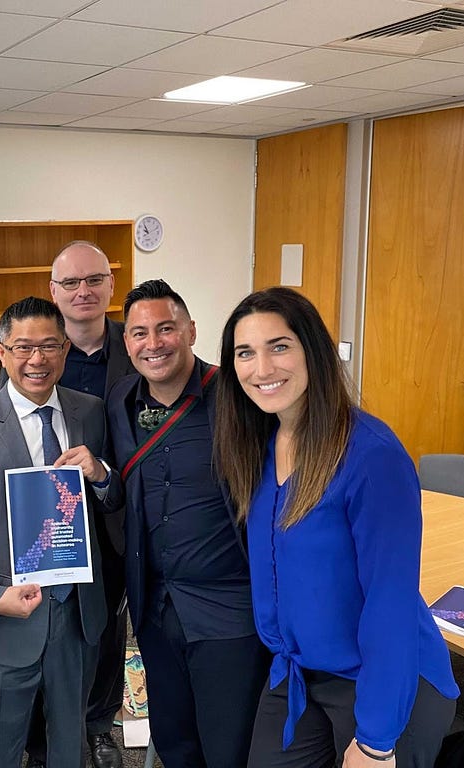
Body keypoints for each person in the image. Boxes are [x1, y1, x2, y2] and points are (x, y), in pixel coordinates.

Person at [212, 286, 459, 768]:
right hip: (298, 674)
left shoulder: (371, 456)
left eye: (279, 346)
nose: (262, 369)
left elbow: (391, 603)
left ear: (314, 351)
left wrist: (375, 739)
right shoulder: (260, 445)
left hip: (380, 682)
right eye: (245, 353)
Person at [0, 296, 123, 768]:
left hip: (77, 617)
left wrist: (101, 474)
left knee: (69, 750)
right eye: (23, 347)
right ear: (1, 353)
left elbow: (116, 497)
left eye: (48, 346)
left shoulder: (92, 412)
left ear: (65, 349)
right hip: (6, 616)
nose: (36, 359)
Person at [106, 279, 268, 768]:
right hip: (155, 607)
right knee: (175, 741)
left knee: (229, 746)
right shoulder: (120, 402)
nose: (152, 344)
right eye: (138, 333)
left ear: (192, 330)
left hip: (229, 610)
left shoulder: (238, 398)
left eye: (165, 328)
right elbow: (124, 490)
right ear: (126, 342)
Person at [7, 241, 136, 768]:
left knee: (104, 633)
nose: (83, 291)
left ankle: (100, 726)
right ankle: (48, 738)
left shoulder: (137, 349)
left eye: (94, 280)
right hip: (48, 529)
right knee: (50, 635)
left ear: (110, 285)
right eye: (70, 283)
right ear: (53, 290)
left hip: (112, 522)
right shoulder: (29, 356)